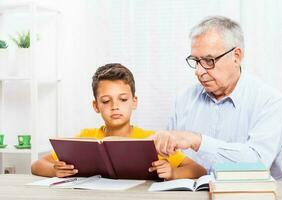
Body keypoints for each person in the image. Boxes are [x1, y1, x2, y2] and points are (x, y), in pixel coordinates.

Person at [152, 16, 282, 180]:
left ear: (236, 56)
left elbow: (257, 164)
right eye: (196, 61)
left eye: (209, 60)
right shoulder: (183, 100)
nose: (199, 71)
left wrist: (198, 141)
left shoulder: (270, 102)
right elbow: (171, 158)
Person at [31, 63, 206, 180]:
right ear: (96, 105)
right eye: (106, 101)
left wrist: (173, 172)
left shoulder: (151, 139)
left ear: (134, 102)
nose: (115, 106)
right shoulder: (85, 138)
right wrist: (54, 170)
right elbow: (37, 164)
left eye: (122, 99)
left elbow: (198, 170)